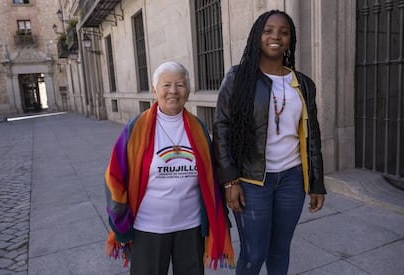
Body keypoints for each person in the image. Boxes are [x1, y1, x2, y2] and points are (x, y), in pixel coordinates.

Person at [212, 10, 326, 275]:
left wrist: (317, 182)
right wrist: (230, 181)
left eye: (284, 32)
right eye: (269, 30)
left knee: (279, 250)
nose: (276, 36)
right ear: (257, 36)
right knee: (254, 253)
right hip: (252, 182)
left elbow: (313, 136)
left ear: (290, 39)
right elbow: (222, 129)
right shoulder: (238, 78)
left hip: (292, 180)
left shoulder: (304, 84)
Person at [105, 61, 235, 275]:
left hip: (190, 228)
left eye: (180, 85)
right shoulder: (135, 129)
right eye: (166, 85)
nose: (173, 91)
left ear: (188, 91)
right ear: (155, 90)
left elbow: (211, 175)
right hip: (148, 229)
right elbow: (114, 177)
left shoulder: (199, 128)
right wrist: (120, 221)